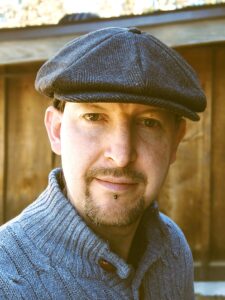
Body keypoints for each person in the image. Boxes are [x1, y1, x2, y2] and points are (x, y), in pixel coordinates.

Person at [0, 27, 206, 299]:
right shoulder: (7, 281)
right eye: (94, 117)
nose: (121, 156)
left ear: (175, 142)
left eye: (148, 122)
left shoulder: (173, 249)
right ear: (56, 130)